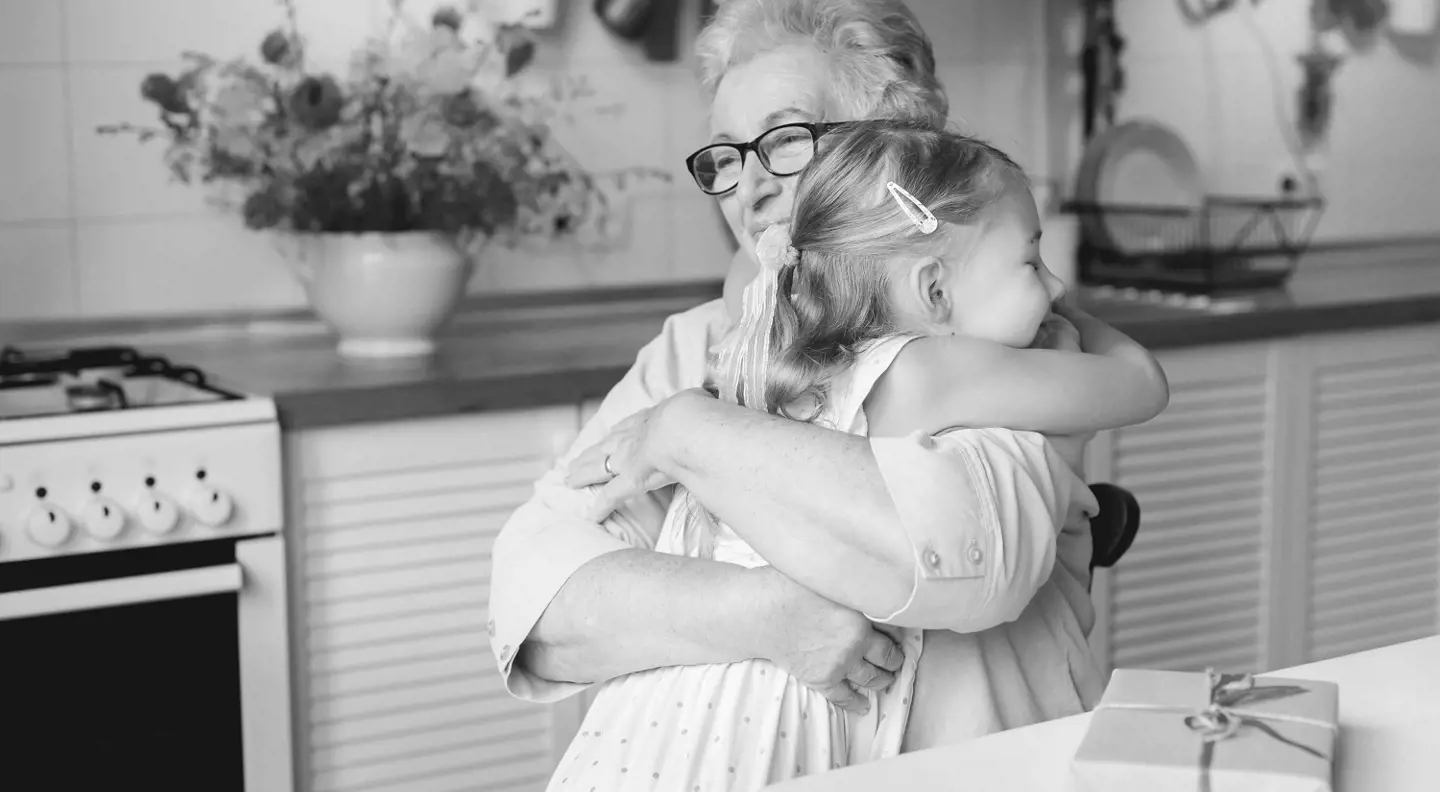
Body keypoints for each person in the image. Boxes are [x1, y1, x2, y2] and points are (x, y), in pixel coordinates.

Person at [489, 0, 1142, 758]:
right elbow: (539, 600)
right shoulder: (696, 346)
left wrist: (690, 436)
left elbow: (961, 557)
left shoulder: (988, 337)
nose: (747, 188)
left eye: (787, 138)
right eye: (727, 157)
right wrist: (760, 612)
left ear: (900, 152)